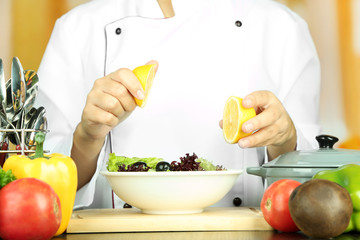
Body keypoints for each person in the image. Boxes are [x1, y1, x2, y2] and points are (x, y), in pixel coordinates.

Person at [36, 0, 321, 209]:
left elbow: (309, 190)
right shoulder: (78, 30)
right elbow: (46, 185)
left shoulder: (284, 29)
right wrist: (87, 137)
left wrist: (285, 140)